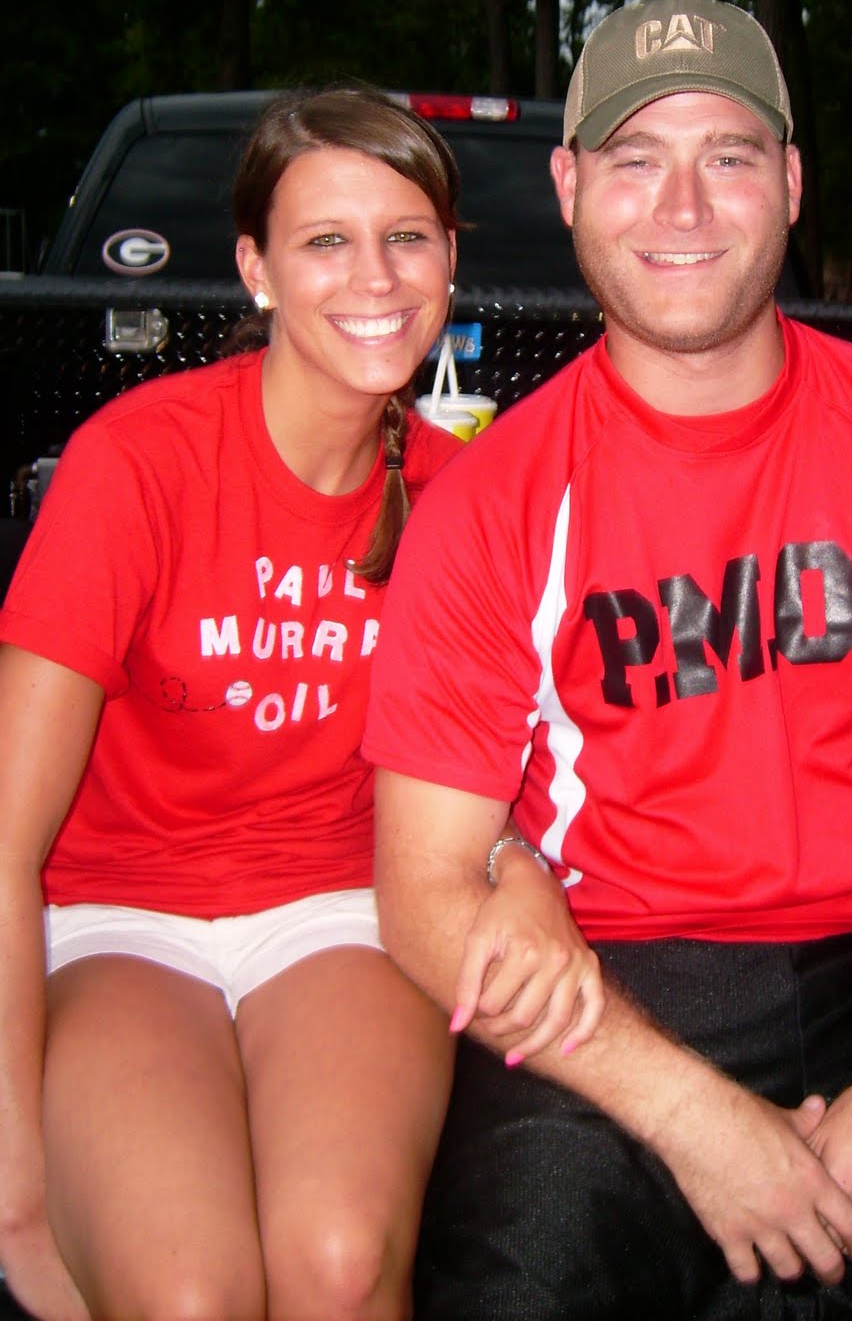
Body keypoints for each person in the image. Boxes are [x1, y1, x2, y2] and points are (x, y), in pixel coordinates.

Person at [365, 0, 852, 1320]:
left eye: (727, 156)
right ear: (570, 187)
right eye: (634, 158)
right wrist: (700, 1122)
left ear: (790, 184)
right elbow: (424, 891)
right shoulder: (491, 505)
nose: (681, 206)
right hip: (617, 978)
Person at [0, 85, 594, 1321]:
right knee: (186, 1293)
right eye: (325, 239)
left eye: (406, 236)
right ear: (255, 270)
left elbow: (494, 774)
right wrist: (12, 1192)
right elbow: (6, 841)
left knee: (336, 1260)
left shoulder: (461, 496)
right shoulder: (137, 462)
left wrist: (519, 865)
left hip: (341, 911)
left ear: (447, 262)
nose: (373, 275)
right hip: (119, 920)